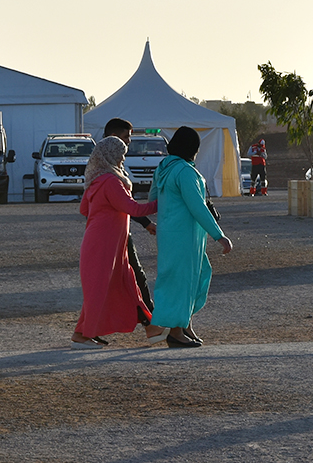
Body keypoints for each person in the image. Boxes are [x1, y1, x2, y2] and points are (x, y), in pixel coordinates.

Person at [71, 137, 166, 348]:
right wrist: (163, 202)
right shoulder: (111, 181)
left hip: (104, 242)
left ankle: (149, 328)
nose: (123, 159)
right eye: (121, 154)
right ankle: (82, 334)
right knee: (105, 288)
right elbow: (133, 209)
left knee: (121, 284)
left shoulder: (95, 180)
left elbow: (84, 209)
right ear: (111, 155)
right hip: (106, 244)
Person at [149, 126, 233, 348]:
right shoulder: (185, 172)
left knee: (198, 274)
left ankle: (185, 323)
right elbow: (198, 207)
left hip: (170, 234)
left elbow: (152, 199)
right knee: (183, 281)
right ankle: (176, 332)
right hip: (185, 236)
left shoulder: (163, 169)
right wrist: (219, 236)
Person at [102, 117, 157, 312]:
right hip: (112, 232)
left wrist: (145, 222)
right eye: (126, 137)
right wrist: (161, 205)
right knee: (130, 274)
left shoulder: (107, 163)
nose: (129, 142)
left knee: (126, 275)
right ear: (114, 137)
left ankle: (147, 315)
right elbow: (128, 205)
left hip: (116, 230)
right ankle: (150, 317)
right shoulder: (106, 170)